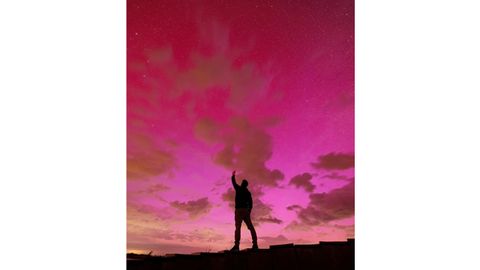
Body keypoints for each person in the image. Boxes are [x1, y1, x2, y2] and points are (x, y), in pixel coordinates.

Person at [230, 170, 258, 251]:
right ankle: (255, 244)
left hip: (239, 210)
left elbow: (233, 182)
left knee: (238, 228)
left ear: (243, 184)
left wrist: (233, 175)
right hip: (246, 211)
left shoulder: (238, 188)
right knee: (250, 227)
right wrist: (249, 211)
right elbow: (251, 203)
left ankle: (236, 246)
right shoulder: (248, 192)